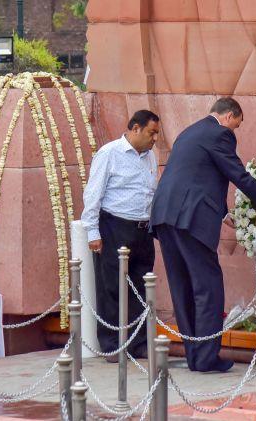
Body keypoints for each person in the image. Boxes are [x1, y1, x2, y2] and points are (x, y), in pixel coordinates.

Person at [150, 97, 256, 372]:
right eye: (236, 126)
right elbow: (237, 174)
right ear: (228, 117)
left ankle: (195, 355)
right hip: (190, 219)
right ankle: (206, 358)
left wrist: (223, 213)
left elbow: (198, 175)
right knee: (208, 287)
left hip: (165, 216)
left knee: (183, 287)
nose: (234, 131)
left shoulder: (190, 132)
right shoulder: (219, 133)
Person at [81, 110, 161, 363]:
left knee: (141, 285)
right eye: (151, 132)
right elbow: (93, 193)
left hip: (142, 228)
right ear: (135, 128)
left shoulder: (151, 156)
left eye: (157, 133)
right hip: (115, 225)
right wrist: (92, 231)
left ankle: (138, 343)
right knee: (111, 287)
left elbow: (151, 191)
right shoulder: (109, 153)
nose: (155, 138)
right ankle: (112, 344)